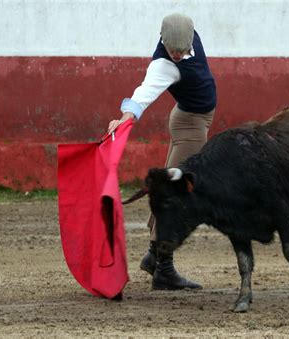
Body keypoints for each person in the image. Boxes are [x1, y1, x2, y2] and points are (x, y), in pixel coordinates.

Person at [108, 13, 216, 290]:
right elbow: (143, 94)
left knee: (167, 188)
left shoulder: (189, 34)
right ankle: (164, 269)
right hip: (191, 126)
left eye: (182, 49)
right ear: (162, 40)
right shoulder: (163, 65)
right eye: (172, 50)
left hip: (189, 120)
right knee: (176, 195)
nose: (178, 54)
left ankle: (154, 258)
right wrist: (123, 119)